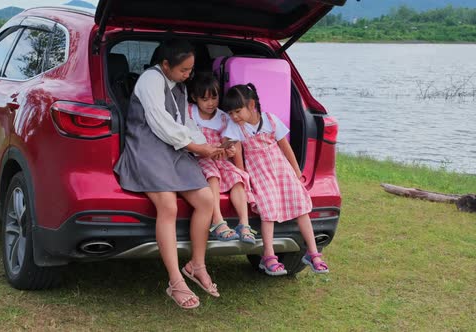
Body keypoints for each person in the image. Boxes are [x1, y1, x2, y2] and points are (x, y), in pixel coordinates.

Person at [113, 39, 222, 309]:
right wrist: (195, 146)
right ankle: (175, 281)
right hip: (147, 147)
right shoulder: (151, 80)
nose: (188, 75)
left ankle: (196, 265)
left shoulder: (181, 87)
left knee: (207, 200)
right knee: (168, 206)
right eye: (184, 70)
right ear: (165, 65)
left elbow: (184, 122)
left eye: (190, 70)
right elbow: (160, 122)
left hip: (175, 148)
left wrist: (207, 147)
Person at [221, 83, 330, 276]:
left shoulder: (271, 120)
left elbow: (285, 147)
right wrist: (244, 178)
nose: (234, 117)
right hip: (260, 174)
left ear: (252, 105)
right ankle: (268, 256)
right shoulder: (236, 127)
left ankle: (313, 253)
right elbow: (235, 154)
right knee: (268, 210)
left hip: (281, 170)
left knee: (301, 206)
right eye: (230, 113)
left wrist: (296, 172)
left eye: (237, 111)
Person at [187, 72, 257, 244]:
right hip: (199, 158)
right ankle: (218, 220)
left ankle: (244, 223)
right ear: (195, 98)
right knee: (213, 175)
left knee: (237, 178)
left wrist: (230, 151)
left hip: (219, 158)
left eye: (214, 97)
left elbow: (229, 142)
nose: (210, 103)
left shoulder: (224, 118)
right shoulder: (189, 112)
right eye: (204, 99)